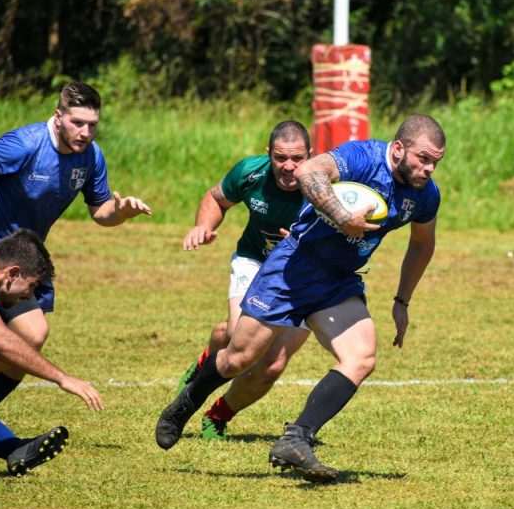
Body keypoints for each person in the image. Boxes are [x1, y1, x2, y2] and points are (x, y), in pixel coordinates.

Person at [156, 113, 445, 483]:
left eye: (435, 162)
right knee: (239, 358)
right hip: (294, 266)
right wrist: (342, 217)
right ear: (399, 148)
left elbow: (422, 244)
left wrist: (402, 301)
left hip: (338, 280)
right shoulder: (362, 156)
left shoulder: (425, 195)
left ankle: (296, 439)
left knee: (361, 357)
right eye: (423, 159)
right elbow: (309, 172)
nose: (429, 169)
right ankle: (186, 403)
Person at [0, 82, 150, 423]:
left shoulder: (91, 156)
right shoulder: (25, 144)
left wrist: (121, 211)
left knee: (32, 336)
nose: (85, 132)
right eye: (77, 123)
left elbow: (101, 212)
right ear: (58, 117)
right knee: (1, 337)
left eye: (92, 125)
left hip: (24, 261)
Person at [175, 120, 313, 440]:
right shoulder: (251, 172)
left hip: (304, 275)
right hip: (255, 262)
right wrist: (203, 226)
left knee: (273, 363)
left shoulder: (326, 184)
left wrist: (308, 243)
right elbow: (216, 198)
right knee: (240, 340)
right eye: (280, 158)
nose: (289, 167)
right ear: (268, 154)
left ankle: (217, 416)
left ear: (311, 154)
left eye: (297, 158)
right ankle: (208, 360)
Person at [0, 228, 103, 476]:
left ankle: (12, 448)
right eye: (31, 287)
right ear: (12, 273)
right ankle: (9, 445)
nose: (28, 296)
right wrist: (62, 378)